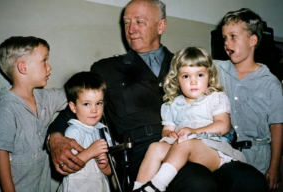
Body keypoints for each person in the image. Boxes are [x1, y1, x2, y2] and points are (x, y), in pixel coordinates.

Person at [47, 1, 268, 191]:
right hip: (146, 153)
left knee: (252, 181)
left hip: (198, 144)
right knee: (198, 183)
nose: (131, 29)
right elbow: (75, 107)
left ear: (161, 25)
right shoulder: (107, 69)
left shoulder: (187, 65)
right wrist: (55, 137)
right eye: (126, 22)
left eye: (139, 22)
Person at [132, 47, 246, 192]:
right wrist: (170, 135)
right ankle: (139, 188)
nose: (193, 82)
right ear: (177, 79)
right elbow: (167, 130)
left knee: (186, 143)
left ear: (209, 76)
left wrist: (194, 131)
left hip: (210, 150)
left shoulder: (215, 97)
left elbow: (223, 125)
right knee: (155, 147)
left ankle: (157, 185)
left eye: (199, 75)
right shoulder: (172, 104)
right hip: (180, 149)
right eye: (186, 76)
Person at [0, 36, 67, 192]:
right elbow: (1, 157)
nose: (49, 67)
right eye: (44, 60)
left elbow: (73, 94)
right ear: (23, 67)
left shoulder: (45, 98)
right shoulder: (4, 109)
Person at [215, 8, 283, 191]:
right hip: (226, 154)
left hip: (258, 159)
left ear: (253, 40)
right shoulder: (218, 69)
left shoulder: (270, 83)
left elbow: (277, 126)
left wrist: (275, 166)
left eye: (233, 36)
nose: (227, 42)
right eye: (224, 38)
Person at [57, 72, 111, 192]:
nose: (94, 110)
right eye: (87, 104)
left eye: (99, 103)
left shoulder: (103, 132)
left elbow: (110, 171)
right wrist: (91, 151)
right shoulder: (73, 131)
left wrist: (105, 166)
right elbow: (66, 166)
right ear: (73, 107)